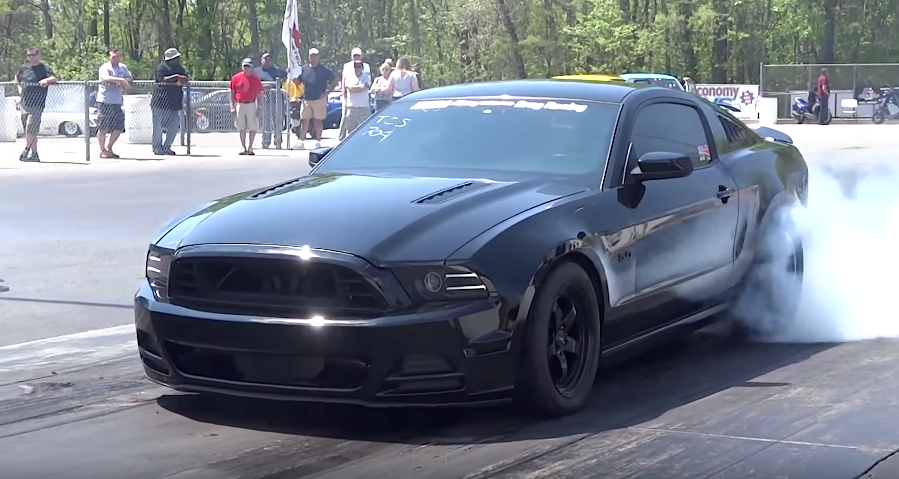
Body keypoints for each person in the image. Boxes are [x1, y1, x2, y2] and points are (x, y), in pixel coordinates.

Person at [14, 46, 57, 162]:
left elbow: (54, 78)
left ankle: (26, 150)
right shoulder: (24, 68)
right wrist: (19, 87)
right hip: (25, 103)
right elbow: (17, 78)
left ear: (38, 55)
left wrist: (46, 81)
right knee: (29, 130)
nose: (31, 57)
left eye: (33, 55)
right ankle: (34, 154)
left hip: (37, 104)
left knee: (31, 128)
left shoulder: (44, 68)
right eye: (29, 55)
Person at [295, 48, 337, 150]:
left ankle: (318, 141)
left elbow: (334, 79)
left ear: (318, 57)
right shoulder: (304, 69)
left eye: (315, 55)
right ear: (309, 57)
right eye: (311, 56)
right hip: (307, 99)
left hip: (319, 99)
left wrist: (328, 92)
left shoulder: (324, 69)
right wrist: (292, 76)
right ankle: (301, 141)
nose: (313, 58)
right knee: (305, 121)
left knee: (318, 121)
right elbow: (298, 82)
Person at [96, 48, 133, 159]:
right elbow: (105, 77)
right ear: (109, 57)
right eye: (113, 57)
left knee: (119, 126)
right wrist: (120, 80)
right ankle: (102, 150)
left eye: (118, 56)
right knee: (103, 127)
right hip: (105, 101)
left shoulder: (123, 67)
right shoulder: (105, 67)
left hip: (117, 102)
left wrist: (125, 80)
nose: (116, 59)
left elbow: (130, 77)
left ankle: (109, 148)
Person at [151, 47, 188, 156]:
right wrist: (176, 77)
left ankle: (167, 147)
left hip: (174, 101)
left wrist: (182, 80)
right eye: (175, 58)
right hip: (160, 100)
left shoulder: (180, 68)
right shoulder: (161, 68)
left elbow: (185, 77)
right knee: (157, 126)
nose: (177, 59)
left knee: (175, 124)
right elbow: (161, 80)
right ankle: (157, 147)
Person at [229, 58, 265, 155]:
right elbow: (232, 93)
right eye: (245, 66)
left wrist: (260, 107)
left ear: (251, 67)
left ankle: (250, 147)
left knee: (252, 126)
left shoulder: (255, 79)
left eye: (248, 66)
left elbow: (259, 94)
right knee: (241, 127)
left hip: (251, 104)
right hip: (240, 104)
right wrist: (232, 106)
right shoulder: (236, 78)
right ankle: (243, 147)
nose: (246, 68)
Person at [255, 52, 288, 149]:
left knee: (278, 121)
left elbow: (287, 78)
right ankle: (265, 142)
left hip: (277, 99)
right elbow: (253, 83)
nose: (267, 61)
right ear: (261, 60)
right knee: (266, 122)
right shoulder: (256, 71)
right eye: (265, 59)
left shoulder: (278, 70)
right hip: (264, 100)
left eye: (269, 59)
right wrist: (262, 87)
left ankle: (278, 141)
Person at [338, 48, 371, 140]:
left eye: (358, 55)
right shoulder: (347, 66)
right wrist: (344, 93)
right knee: (346, 119)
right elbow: (345, 82)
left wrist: (357, 87)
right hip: (348, 98)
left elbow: (367, 84)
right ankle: (342, 138)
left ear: (362, 56)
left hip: (363, 101)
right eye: (354, 55)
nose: (356, 57)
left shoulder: (366, 66)